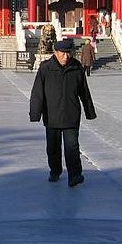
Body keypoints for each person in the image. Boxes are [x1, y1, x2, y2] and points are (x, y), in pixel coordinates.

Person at [29, 38, 97, 187]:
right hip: (51, 115)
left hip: (71, 114)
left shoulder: (76, 67)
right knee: (53, 148)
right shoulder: (46, 68)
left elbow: (84, 92)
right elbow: (37, 93)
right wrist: (35, 113)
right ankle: (55, 171)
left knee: (72, 147)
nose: (66, 56)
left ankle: (75, 175)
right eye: (63, 53)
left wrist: (89, 111)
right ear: (55, 52)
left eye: (68, 53)